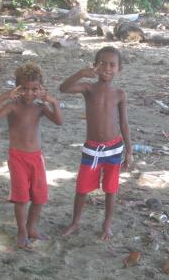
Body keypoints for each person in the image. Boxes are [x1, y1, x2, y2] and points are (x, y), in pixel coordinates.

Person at [59, 46, 132, 241]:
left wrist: (129, 151)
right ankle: (75, 222)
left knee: (110, 189)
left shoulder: (120, 94)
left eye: (112, 64)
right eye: (102, 63)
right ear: (95, 66)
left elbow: (124, 123)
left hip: (114, 149)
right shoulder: (88, 88)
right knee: (82, 188)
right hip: (92, 149)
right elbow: (63, 88)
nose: (107, 68)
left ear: (119, 68)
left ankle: (107, 224)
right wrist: (81, 74)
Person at [0, 63, 62, 248]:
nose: (30, 93)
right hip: (17, 158)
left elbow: (59, 121)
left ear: (41, 89)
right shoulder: (13, 106)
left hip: (36, 158)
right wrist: (3, 97)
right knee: (21, 198)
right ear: (17, 89)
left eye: (34, 89)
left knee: (39, 197)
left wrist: (53, 102)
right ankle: (22, 230)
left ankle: (32, 228)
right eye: (25, 89)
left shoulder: (41, 107)